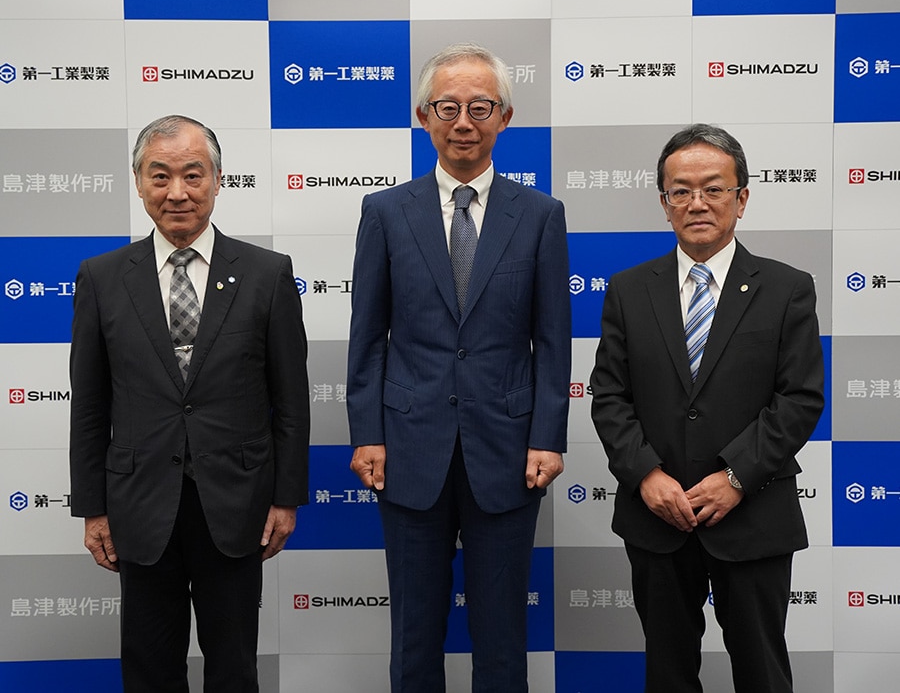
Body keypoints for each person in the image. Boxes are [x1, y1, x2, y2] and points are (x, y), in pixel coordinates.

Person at [346, 43, 571, 692]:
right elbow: (367, 337)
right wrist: (368, 432)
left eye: (480, 107)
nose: (463, 122)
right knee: (415, 637)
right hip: (408, 451)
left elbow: (553, 339)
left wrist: (547, 437)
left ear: (505, 116)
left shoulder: (540, 215)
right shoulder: (386, 212)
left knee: (502, 638)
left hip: (507, 450)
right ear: (423, 115)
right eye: (449, 107)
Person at [68, 114, 310, 692]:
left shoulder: (265, 273)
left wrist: (285, 497)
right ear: (138, 183)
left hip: (236, 504)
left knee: (233, 668)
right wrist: (92, 507)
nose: (177, 192)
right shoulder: (102, 278)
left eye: (192, 175)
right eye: (160, 176)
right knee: (149, 669)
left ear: (218, 181)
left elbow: (290, 398)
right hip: (140, 506)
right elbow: (89, 403)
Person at [590, 123, 825, 693]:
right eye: (680, 190)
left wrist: (735, 476)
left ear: (741, 198)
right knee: (668, 673)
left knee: (762, 671)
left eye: (714, 188)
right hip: (657, 516)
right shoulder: (628, 289)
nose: (697, 203)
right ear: (664, 202)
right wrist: (647, 475)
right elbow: (608, 395)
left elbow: (799, 398)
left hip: (752, 514)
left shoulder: (787, 287)